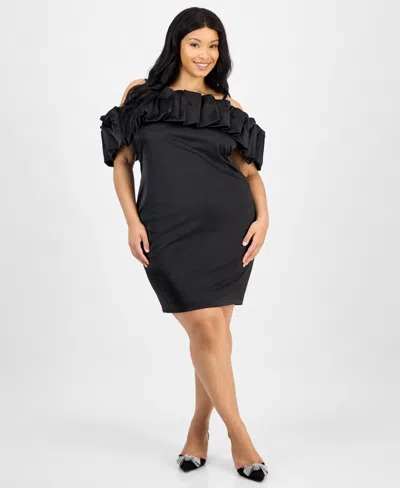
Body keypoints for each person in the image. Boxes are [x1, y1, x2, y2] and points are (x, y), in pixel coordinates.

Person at [99, 7, 270, 482]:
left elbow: (250, 173)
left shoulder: (228, 106)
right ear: (177, 44)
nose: (205, 54)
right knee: (209, 333)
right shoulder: (141, 95)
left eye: (214, 46)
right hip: (166, 231)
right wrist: (132, 221)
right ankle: (240, 435)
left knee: (211, 336)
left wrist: (265, 218)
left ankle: (198, 428)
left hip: (229, 230)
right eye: (196, 43)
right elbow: (122, 161)